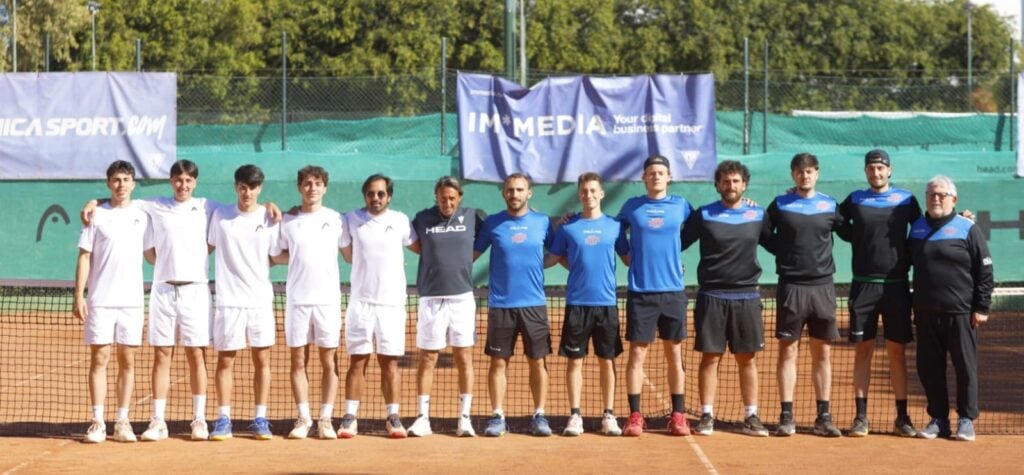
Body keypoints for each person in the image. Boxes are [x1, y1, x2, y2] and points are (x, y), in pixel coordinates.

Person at [79, 159, 281, 442]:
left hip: (195, 291)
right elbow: (121, 200)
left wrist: (271, 204)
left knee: (196, 355)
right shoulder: (154, 205)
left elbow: (249, 208)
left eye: (188, 180)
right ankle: (158, 421)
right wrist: (94, 202)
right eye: (178, 180)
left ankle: (199, 420)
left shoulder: (210, 208)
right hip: (162, 291)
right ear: (171, 181)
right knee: (162, 355)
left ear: (195, 183)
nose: (182, 185)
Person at [681, 160, 770, 437]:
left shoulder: (758, 214)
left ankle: (751, 416)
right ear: (717, 185)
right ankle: (706, 415)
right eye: (726, 181)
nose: (731, 186)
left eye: (736, 181)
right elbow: (677, 242)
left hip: (747, 296)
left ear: (744, 185)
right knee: (710, 358)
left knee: (747, 359)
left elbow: (779, 244)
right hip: (712, 296)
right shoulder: (704, 214)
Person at [836, 150, 920, 437]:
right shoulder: (855, 199)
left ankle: (902, 418)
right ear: (866, 172)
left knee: (897, 352)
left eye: (880, 168)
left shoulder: (906, 200)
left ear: (889, 170)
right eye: (871, 168)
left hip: (897, 285)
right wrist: (857, 238)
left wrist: (961, 218)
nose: (876, 173)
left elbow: (923, 228)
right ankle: (861, 418)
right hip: (863, 285)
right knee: (863, 351)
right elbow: (835, 221)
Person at [908, 175, 993, 442]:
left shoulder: (967, 228)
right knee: (929, 369)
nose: (936, 199)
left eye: (941, 195)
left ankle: (966, 420)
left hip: (961, 313)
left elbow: (985, 270)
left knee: (965, 368)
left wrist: (981, 306)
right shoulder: (917, 229)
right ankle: (939, 419)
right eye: (931, 194)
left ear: (953, 199)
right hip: (925, 314)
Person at [764, 153, 843, 437]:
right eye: (799, 171)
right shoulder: (780, 204)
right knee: (788, 351)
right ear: (793, 175)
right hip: (791, 286)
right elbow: (763, 232)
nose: (804, 176)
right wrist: (784, 251)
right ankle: (787, 416)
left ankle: (824, 417)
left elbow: (850, 231)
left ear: (817, 173)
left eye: (809, 171)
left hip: (823, 287)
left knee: (823, 353)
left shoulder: (830, 205)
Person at [473, 173, 557, 437]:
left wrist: (537, 266)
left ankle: (539, 415)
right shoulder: (492, 223)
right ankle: (497, 415)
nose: (514, 194)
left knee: (537, 362)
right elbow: (472, 253)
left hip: (534, 304)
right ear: (503, 193)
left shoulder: (543, 222)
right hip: (501, 305)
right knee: (498, 363)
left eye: (520, 190)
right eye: (510, 190)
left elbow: (557, 252)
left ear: (529, 193)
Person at [616, 155, 694, 437]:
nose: (656, 176)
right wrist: (627, 255)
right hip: (641, 293)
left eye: (661, 172)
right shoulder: (632, 206)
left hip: (673, 292)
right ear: (644, 178)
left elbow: (702, 226)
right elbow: (613, 230)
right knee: (637, 354)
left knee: (674, 353)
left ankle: (678, 416)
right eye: (651, 173)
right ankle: (635, 416)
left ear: (669, 177)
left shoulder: (682, 205)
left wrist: (675, 255)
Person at [74, 160, 150, 444]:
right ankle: (97, 422)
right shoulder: (96, 215)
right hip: (100, 301)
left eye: (126, 179)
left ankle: (122, 421)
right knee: (100, 359)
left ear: (134, 184)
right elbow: (84, 256)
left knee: (127, 360)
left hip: (132, 302)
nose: (121, 185)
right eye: (116, 180)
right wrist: (79, 295)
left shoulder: (143, 213)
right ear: (108, 183)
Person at [548, 172, 627, 437]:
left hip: (606, 304)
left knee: (607, 361)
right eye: (584, 191)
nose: (589, 195)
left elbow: (629, 258)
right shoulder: (568, 227)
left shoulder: (615, 226)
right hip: (577, 304)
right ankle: (575, 415)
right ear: (579, 195)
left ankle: (609, 415)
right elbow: (553, 257)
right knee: (575, 362)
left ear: (601, 193)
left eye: (593, 190)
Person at [337, 174, 417, 439]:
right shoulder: (350, 219)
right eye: (371, 193)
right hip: (361, 304)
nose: (376, 198)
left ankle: (393, 417)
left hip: (391, 305)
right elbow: (347, 255)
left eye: (381, 193)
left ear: (389, 197)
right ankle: (350, 417)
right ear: (365, 196)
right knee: (357, 361)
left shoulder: (401, 221)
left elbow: (420, 247)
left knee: (390, 363)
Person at [206, 164, 280, 441]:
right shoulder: (220, 216)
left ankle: (260, 418)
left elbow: (276, 255)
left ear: (260, 188)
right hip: (229, 302)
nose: (247, 192)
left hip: (260, 302)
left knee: (262, 360)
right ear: (236, 187)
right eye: (243, 187)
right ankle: (223, 418)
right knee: (226, 360)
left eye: (253, 187)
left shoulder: (269, 218)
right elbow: (207, 246)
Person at [406, 177, 483, 437]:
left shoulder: (472, 217)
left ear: (459, 197)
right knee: (428, 357)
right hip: (431, 298)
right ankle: (422, 418)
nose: (447, 202)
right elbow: (413, 243)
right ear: (436, 197)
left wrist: (465, 261)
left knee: (464, 357)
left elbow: (486, 238)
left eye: (451, 198)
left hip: (462, 298)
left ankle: (464, 419)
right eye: (442, 198)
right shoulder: (422, 219)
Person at [271, 166, 344, 440]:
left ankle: (325, 419)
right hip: (297, 301)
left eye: (317, 183)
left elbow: (351, 251)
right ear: (299, 187)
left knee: (329, 361)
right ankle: (303, 418)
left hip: (327, 302)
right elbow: (277, 255)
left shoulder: (337, 220)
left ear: (325, 187)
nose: (312, 188)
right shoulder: (287, 221)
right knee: (298, 361)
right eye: (307, 183)